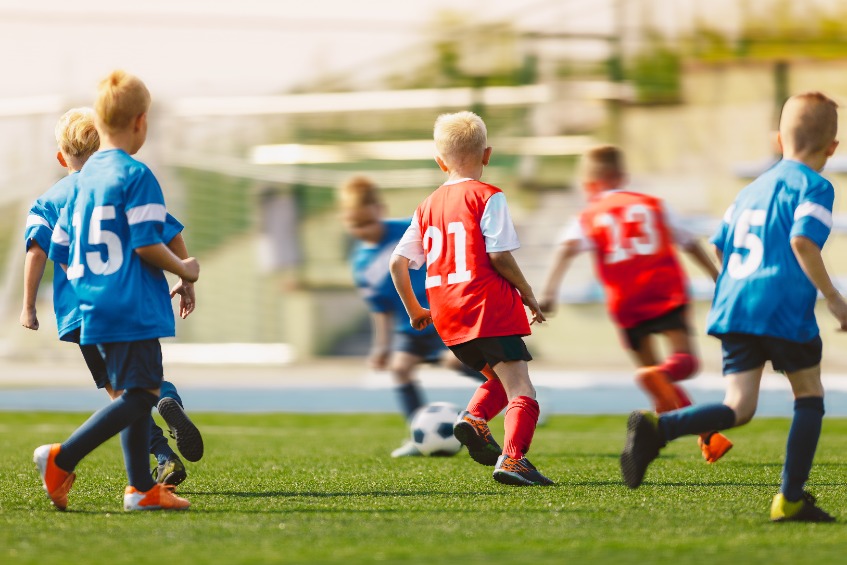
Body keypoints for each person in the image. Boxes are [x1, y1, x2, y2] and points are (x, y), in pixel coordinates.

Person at [620, 91, 847, 523]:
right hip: (780, 306)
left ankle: (658, 429)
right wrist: (836, 301)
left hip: (734, 304)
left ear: (777, 139)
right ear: (832, 148)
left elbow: (721, 246)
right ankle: (790, 498)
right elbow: (802, 240)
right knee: (810, 394)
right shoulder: (815, 186)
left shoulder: (750, 190)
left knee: (739, 407)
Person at [36, 70, 200, 512]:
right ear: (141, 122)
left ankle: (141, 488)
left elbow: (62, 247)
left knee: (134, 391)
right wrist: (184, 269)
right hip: (130, 302)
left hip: (92, 303)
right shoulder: (135, 174)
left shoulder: (81, 181)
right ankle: (61, 458)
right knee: (144, 395)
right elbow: (149, 241)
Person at [538, 145, 732, 463]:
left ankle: (708, 436)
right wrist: (716, 276)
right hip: (664, 289)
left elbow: (565, 248)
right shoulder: (652, 205)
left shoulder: (588, 214)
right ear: (622, 175)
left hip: (625, 299)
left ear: (590, 183)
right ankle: (703, 431)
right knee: (683, 363)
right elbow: (689, 242)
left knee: (653, 375)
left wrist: (548, 293)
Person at [390, 111, 552, 486]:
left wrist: (416, 310)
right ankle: (513, 460)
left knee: (499, 378)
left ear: (439, 161)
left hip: (448, 314)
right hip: (485, 305)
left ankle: (474, 419)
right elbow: (497, 255)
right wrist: (528, 293)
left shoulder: (427, 206)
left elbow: (398, 264)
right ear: (487, 154)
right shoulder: (488, 196)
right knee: (522, 389)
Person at [339, 175, 486, 457]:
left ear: (379, 210)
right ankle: (419, 435)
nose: (362, 230)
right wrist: (381, 347)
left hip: (445, 315)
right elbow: (380, 308)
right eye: (354, 224)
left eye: (367, 222)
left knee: (455, 363)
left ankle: (506, 387)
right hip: (410, 325)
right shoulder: (361, 262)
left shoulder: (411, 228)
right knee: (399, 368)